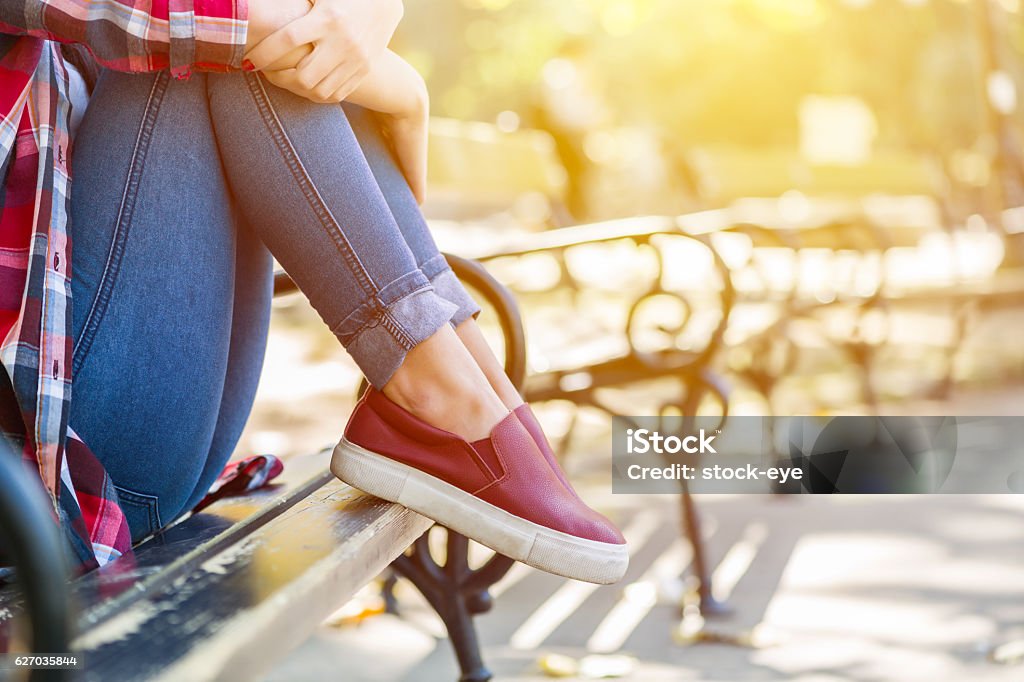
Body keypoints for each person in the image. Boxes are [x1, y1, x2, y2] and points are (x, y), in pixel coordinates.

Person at [0, 0, 627, 584]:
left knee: (261, 38)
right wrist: (402, 86)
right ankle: (442, 394)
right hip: (44, 496)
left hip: (130, 445)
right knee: (241, 38)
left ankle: (473, 390)